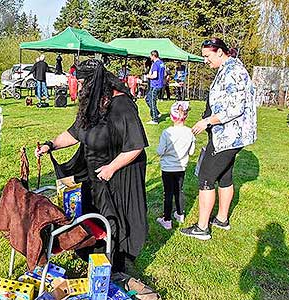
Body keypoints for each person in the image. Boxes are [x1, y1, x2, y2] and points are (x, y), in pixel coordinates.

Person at [36, 59, 158, 299]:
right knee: (95, 215)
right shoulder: (93, 104)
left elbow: (135, 146)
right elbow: (75, 132)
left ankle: (118, 263)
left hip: (121, 172)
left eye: (82, 83)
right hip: (96, 172)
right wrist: (51, 145)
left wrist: (112, 167)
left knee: (119, 217)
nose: (80, 88)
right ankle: (97, 255)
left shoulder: (122, 105)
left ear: (94, 82)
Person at [180, 37, 257, 240]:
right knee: (225, 175)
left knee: (206, 176)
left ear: (220, 52)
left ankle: (202, 228)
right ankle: (222, 219)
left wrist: (207, 121)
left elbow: (235, 108)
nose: (206, 60)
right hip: (229, 134)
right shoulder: (228, 68)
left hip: (229, 134)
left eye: (207, 56)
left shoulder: (232, 71)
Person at [156, 101, 195, 230]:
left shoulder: (167, 132)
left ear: (172, 117)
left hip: (167, 168)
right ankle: (180, 214)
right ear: (186, 116)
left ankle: (167, 220)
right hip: (181, 168)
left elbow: (160, 151)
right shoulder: (190, 132)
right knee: (179, 190)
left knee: (168, 193)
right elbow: (192, 151)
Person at [145, 50, 165, 125]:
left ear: (153, 56)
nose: (150, 57)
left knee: (152, 102)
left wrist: (147, 76)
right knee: (147, 98)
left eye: (150, 56)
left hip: (155, 85)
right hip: (159, 84)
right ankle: (157, 113)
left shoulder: (156, 64)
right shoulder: (162, 63)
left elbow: (155, 75)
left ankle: (155, 119)